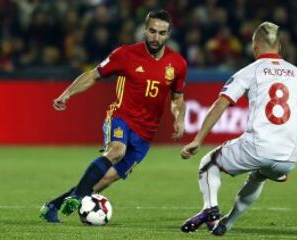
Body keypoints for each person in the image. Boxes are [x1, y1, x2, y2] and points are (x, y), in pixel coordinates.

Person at [180, 22, 297, 236]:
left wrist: (198, 139)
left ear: (255, 46)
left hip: (258, 147)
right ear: (280, 47)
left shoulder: (250, 71)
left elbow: (221, 104)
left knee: (208, 163)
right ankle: (226, 223)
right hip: (290, 157)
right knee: (258, 177)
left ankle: (210, 210)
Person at [39, 9, 187, 223]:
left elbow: (177, 99)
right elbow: (93, 75)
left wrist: (178, 117)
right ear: (144, 30)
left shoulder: (178, 64)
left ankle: (52, 206)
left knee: (104, 181)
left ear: (169, 34)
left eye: (161, 33)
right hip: (121, 117)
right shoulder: (125, 55)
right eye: (152, 31)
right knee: (117, 150)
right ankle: (78, 196)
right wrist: (67, 93)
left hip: (146, 133)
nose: (156, 37)